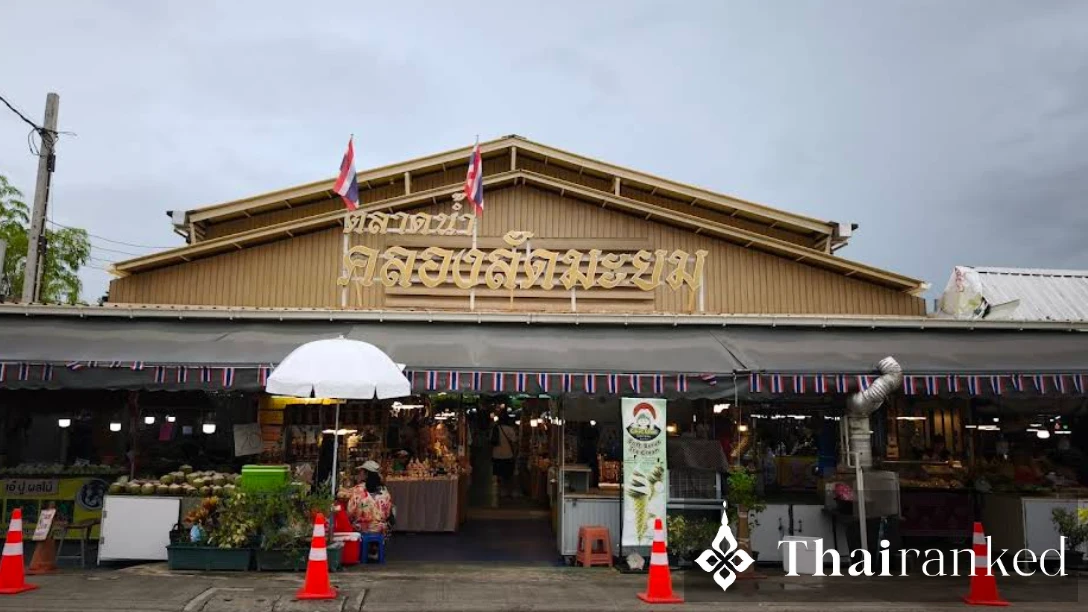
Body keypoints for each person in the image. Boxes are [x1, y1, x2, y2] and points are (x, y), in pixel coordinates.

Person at [346, 461, 394, 534]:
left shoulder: (358, 490)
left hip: (361, 529)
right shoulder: (384, 490)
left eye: (361, 471)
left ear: (366, 474)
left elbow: (350, 512)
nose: (359, 473)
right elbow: (387, 513)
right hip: (381, 529)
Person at [491, 414, 519, 498]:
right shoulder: (510, 430)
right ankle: (508, 492)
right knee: (508, 475)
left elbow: (491, 442)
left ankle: (500, 491)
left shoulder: (495, 429)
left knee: (499, 475)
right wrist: (515, 453)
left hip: (496, 455)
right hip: (508, 455)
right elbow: (514, 442)